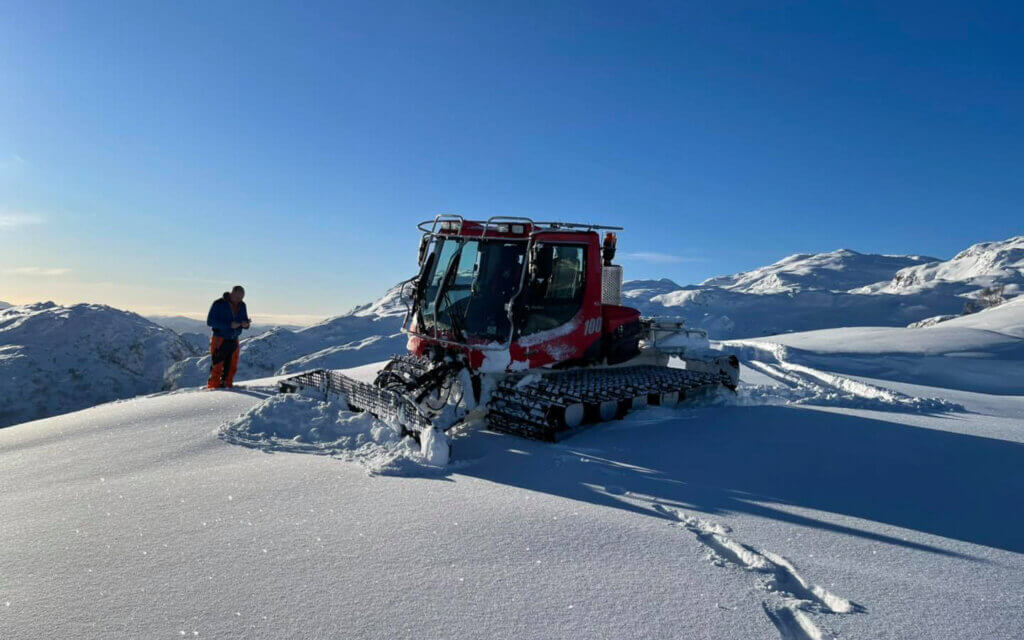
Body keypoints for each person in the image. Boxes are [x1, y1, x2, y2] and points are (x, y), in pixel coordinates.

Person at [206, 285, 251, 389]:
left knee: (232, 367)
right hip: (219, 339)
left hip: (234, 339)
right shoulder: (219, 304)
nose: (239, 300)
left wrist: (246, 324)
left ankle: (228, 387)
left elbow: (244, 320)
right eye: (237, 297)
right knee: (217, 366)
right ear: (232, 293)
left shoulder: (242, 305)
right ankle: (213, 389)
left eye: (241, 298)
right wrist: (229, 325)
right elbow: (210, 321)